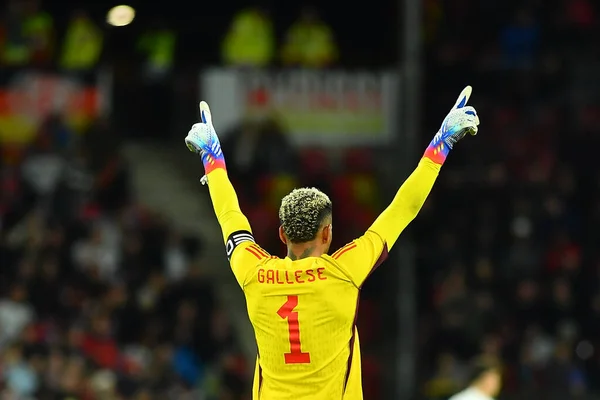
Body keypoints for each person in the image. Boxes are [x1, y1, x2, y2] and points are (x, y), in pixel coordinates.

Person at [184, 87, 480, 399]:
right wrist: (440, 146)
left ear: (282, 234)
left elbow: (230, 216)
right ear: (327, 234)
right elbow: (402, 210)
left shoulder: (254, 272)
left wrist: (212, 159)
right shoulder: (344, 271)